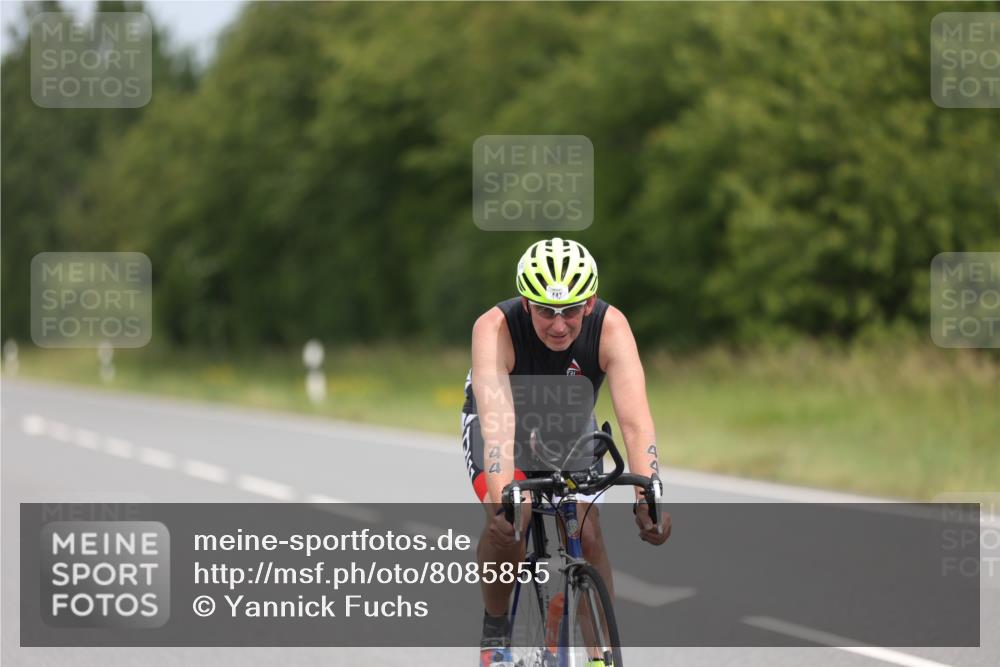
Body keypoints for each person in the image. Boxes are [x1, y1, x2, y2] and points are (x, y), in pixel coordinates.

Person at [461, 237, 672, 667]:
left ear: (590, 303)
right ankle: (496, 628)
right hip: (501, 423)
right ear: (525, 303)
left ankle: (600, 657)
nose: (559, 326)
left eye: (571, 311)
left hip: (568, 425)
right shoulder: (494, 327)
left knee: (588, 533)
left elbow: (634, 420)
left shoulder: (612, 327)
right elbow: (498, 427)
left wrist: (648, 495)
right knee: (511, 518)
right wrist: (504, 498)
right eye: (545, 311)